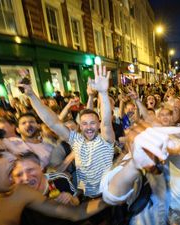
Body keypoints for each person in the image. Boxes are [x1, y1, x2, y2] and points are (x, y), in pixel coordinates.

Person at [19, 64, 115, 198]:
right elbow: (52, 122)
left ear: (98, 125)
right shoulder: (76, 140)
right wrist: (31, 95)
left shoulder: (106, 140)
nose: (88, 127)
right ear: (80, 126)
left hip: (106, 196)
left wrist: (103, 93)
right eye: (84, 124)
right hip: (84, 196)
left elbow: (106, 122)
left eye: (93, 123)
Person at [0, 149, 107, 225]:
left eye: (30, 170)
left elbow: (75, 213)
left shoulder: (20, 193)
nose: (11, 158)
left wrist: (112, 197)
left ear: (41, 168)